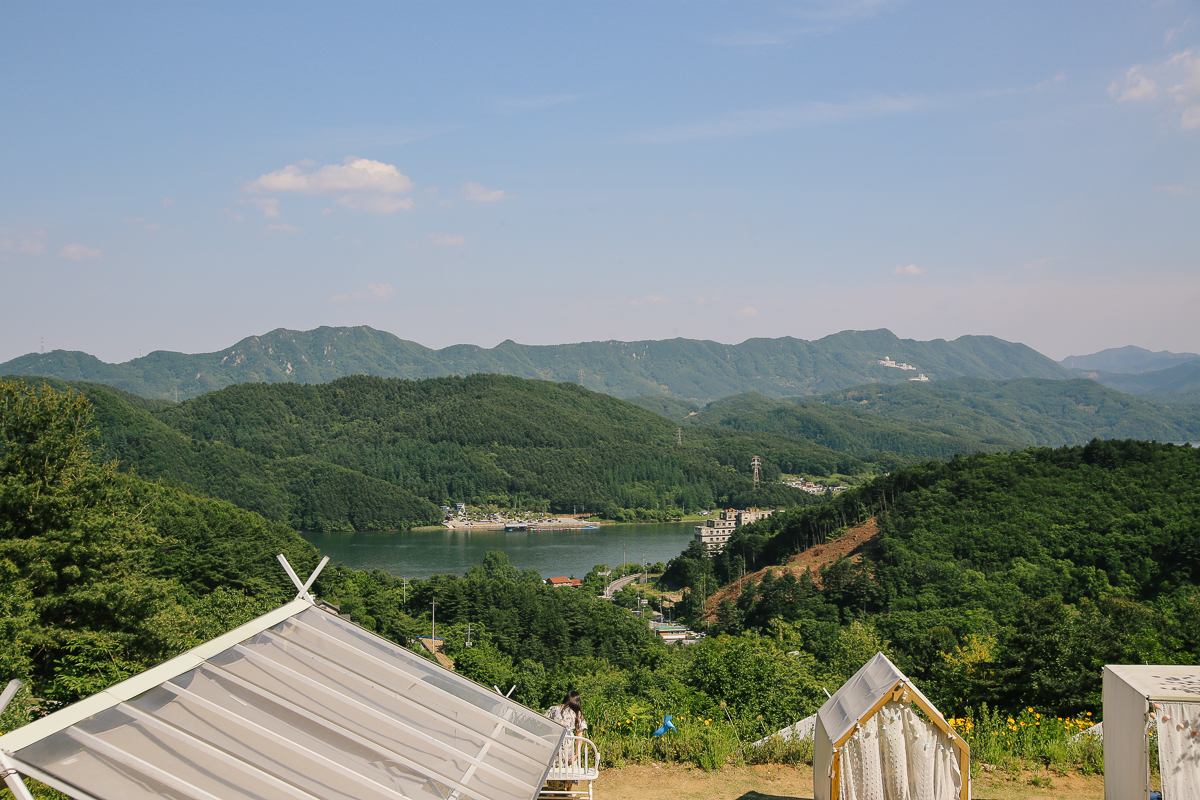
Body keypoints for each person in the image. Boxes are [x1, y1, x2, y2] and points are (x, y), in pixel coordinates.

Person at [543, 691, 587, 795]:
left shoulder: (553, 709)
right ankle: (568, 790)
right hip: (568, 744)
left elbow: (544, 726)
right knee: (570, 766)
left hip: (554, 742)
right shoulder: (577, 713)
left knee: (554, 766)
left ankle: (552, 790)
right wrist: (577, 754)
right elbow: (579, 735)